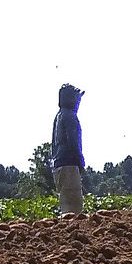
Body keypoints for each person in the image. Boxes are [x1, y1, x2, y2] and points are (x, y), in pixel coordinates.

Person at [51, 83, 87, 216]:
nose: (78, 102)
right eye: (77, 99)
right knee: (74, 211)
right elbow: (73, 142)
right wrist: (80, 162)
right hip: (69, 164)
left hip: (59, 165)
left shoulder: (59, 115)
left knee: (66, 206)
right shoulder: (70, 116)